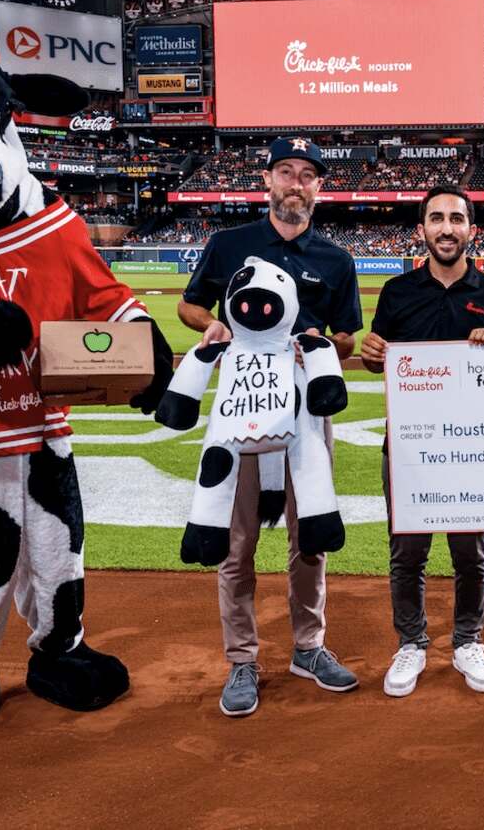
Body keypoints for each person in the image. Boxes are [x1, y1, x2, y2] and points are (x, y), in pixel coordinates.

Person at [177, 137, 362, 718]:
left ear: (318, 189)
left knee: (310, 540)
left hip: (305, 417)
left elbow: (349, 336)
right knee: (238, 544)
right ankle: (242, 659)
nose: (297, 183)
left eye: (308, 175)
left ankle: (308, 647)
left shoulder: (335, 258)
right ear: (268, 181)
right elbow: (190, 306)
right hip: (242, 413)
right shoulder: (230, 244)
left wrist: (323, 349)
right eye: (287, 171)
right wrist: (216, 328)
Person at [359, 186, 484, 697]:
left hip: (473, 448)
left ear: (472, 228)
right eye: (436, 218)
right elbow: (380, 359)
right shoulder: (396, 292)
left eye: (456, 218)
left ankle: (468, 640)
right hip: (408, 446)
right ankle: (411, 642)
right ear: (422, 228)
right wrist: (371, 352)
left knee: (471, 554)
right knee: (407, 552)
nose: (446, 228)